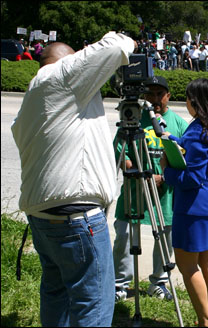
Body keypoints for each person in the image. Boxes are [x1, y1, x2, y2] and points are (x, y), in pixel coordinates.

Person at [11, 32, 136, 327]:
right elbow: (121, 44)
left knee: (56, 297)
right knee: (92, 307)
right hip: (77, 220)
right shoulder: (62, 75)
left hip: (43, 219)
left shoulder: (32, 98)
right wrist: (87, 52)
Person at [160, 78, 208, 327]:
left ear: (195, 101)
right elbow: (203, 156)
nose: (186, 102)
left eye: (188, 98)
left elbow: (192, 177)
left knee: (187, 265)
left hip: (193, 207)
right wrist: (176, 140)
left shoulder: (198, 131)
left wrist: (165, 174)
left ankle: (204, 322)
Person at [113, 75, 188, 302]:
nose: (155, 99)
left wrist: (163, 177)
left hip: (163, 196)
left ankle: (159, 282)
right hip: (133, 192)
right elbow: (120, 150)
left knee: (164, 238)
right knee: (124, 237)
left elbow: (184, 158)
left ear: (168, 96)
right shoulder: (133, 119)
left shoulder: (178, 124)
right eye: (150, 94)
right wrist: (136, 173)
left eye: (159, 94)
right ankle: (120, 284)